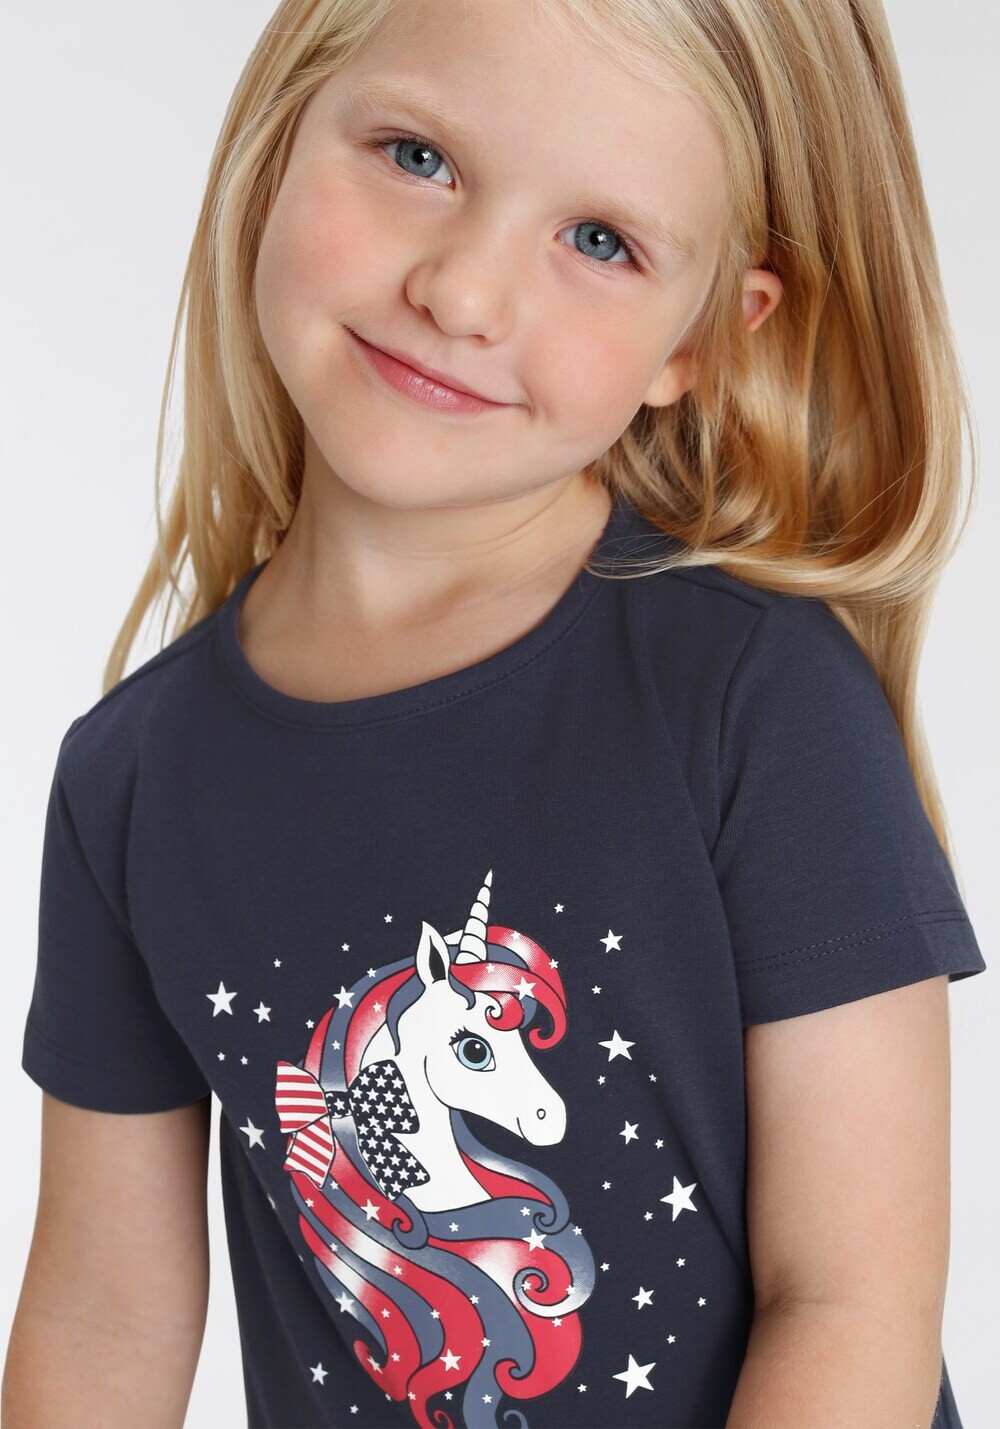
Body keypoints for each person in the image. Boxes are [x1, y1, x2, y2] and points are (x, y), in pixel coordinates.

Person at [3, 0, 987, 1424]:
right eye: (418, 156)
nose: (464, 293)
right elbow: (101, 1321)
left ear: (700, 339)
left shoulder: (759, 700)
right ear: (278, 143)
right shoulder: (130, 781)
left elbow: (851, 1308)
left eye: (599, 240)